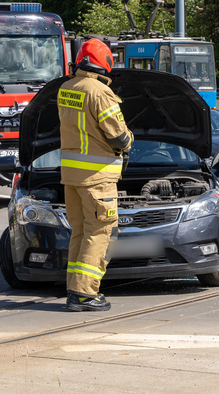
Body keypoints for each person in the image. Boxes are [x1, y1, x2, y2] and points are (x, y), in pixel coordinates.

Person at [58, 39, 133, 312]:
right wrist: (129, 141)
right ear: (105, 63)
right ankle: (84, 294)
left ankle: (74, 288)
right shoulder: (100, 92)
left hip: (72, 176)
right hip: (97, 176)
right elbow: (118, 135)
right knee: (99, 232)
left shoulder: (67, 88)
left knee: (79, 232)